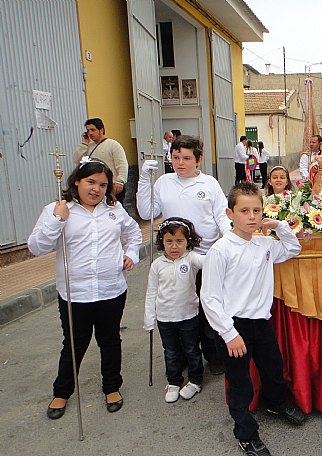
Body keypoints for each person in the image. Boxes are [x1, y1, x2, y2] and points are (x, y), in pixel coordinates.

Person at [201, 182, 305, 456]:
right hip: (233, 326)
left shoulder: (265, 244)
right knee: (240, 383)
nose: (251, 216)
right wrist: (228, 333)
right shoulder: (221, 250)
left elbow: (293, 248)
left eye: (257, 210)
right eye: (244, 210)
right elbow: (209, 298)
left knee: (273, 369)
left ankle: (276, 403)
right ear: (230, 213)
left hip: (261, 322)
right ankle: (245, 433)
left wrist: (279, 225)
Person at [28, 160, 142, 419]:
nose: (96, 189)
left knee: (110, 339)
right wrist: (58, 220)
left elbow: (133, 232)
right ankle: (62, 391)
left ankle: (112, 387)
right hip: (74, 294)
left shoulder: (114, 209)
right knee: (74, 343)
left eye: (102, 184)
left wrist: (131, 254)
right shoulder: (57, 209)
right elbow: (37, 247)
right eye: (91, 182)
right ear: (77, 181)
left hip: (111, 290)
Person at [137, 135, 231, 376]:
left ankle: (213, 353)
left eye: (187, 158)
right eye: (176, 157)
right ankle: (188, 355)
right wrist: (143, 181)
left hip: (205, 255)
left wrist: (229, 239)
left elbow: (221, 215)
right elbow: (147, 211)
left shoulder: (209, 184)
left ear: (198, 160)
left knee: (207, 307)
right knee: (182, 310)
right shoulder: (164, 182)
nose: (180, 162)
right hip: (176, 258)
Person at [144, 217, 206, 403]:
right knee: (170, 351)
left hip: (188, 315)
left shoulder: (192, 258)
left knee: (192, 350)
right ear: (162, 242)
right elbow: (151, 292)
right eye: (169, 241)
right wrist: (149, 318)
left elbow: (209, 261)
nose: (174, 246)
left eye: (179, 241)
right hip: (165, 318)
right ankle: (174, 381)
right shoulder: (157, 265)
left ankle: (195, 381)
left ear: (188, 241)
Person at [73, 118, 128, 204]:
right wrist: (84, 144)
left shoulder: (113, 144)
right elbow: (77, 160)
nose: (90, 133)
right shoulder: (89, 147)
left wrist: (120, 181)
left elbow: (122, 164)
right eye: (88, 131)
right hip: (96, 187)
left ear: (101, 130)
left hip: (112, 186)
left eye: (93, 130)